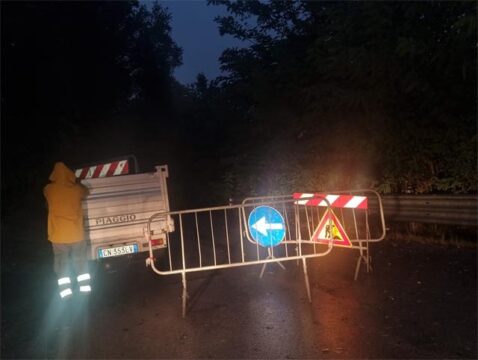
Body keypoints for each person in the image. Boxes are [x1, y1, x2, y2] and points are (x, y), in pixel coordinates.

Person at [44, 162, 91, 300]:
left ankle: (66, 294)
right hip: (76, 234)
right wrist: (75, 182)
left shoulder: (49, 189)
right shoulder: (76, 189)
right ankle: (84, 290)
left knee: (61, 263)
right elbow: (86, 192)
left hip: (58, 236)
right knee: (80, 261)